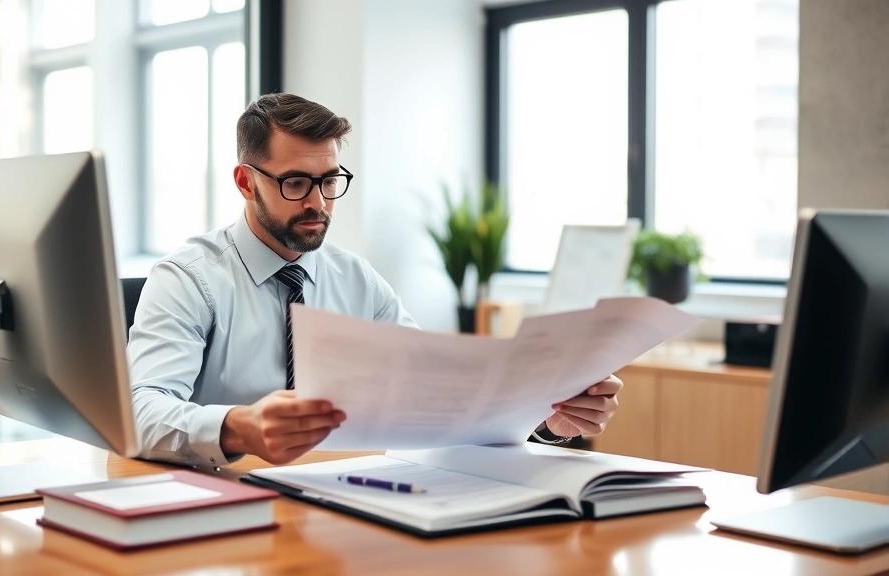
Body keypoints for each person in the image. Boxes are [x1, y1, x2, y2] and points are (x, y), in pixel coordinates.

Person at [127, 93, 622, 467]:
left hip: (348, 502)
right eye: (295, 183)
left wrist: (544, 419)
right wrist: (236, 426)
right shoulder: (188, 279)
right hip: (228, 510)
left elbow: (439, 396)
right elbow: (141, 409)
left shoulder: (357, 281)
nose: (318, 203)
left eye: (329, 181)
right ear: (244, 181)